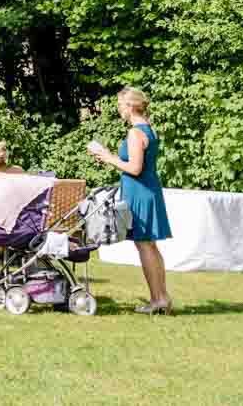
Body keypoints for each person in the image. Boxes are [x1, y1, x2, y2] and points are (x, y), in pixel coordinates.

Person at [89, 86, 172, 314]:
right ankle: (162, 297)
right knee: (150, 246)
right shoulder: (148, 129)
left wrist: (107, 157)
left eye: (120, 106)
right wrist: (112, 158)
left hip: (139, 191)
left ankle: (158, 300)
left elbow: (135, 168)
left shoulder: (135, 133)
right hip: (148, 190)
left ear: (130, 106)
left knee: (145, 245)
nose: (118, 110)